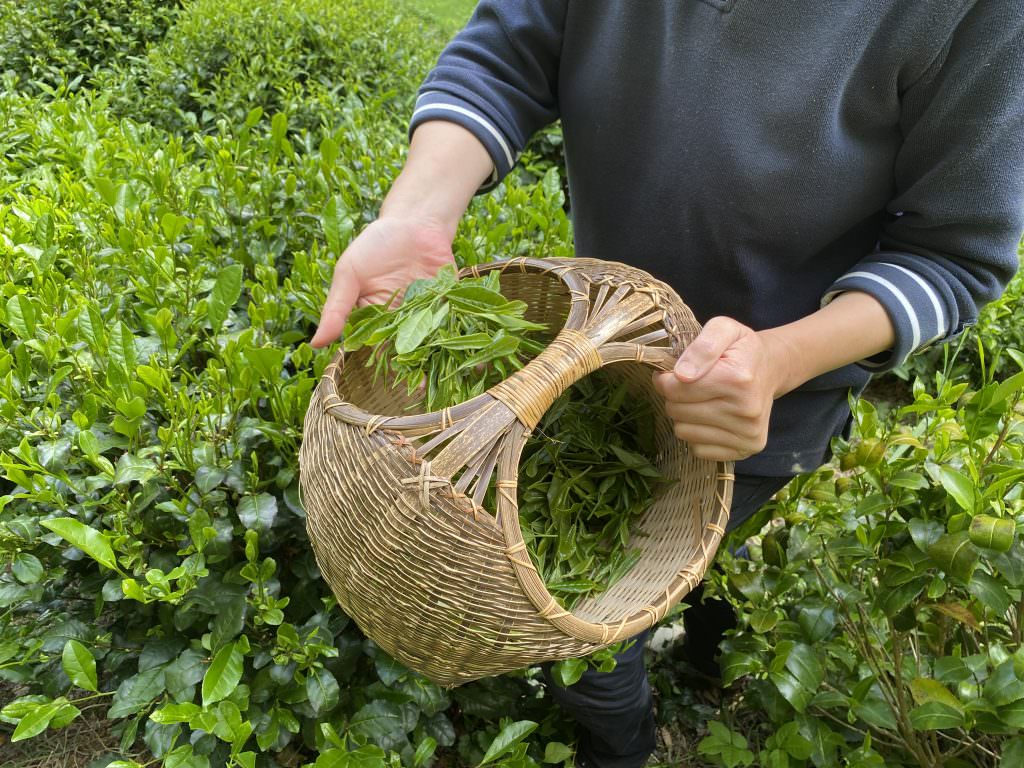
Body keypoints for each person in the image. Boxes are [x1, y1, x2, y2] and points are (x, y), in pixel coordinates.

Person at [311, 3, 1024, 766]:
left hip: (761, 406)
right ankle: (649, 709)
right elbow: (509, 51)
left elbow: (954, 253)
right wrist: (418, 213)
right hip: (594, 363)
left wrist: (778, 362)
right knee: (599, 594)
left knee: (623, 620)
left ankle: (638, 732)